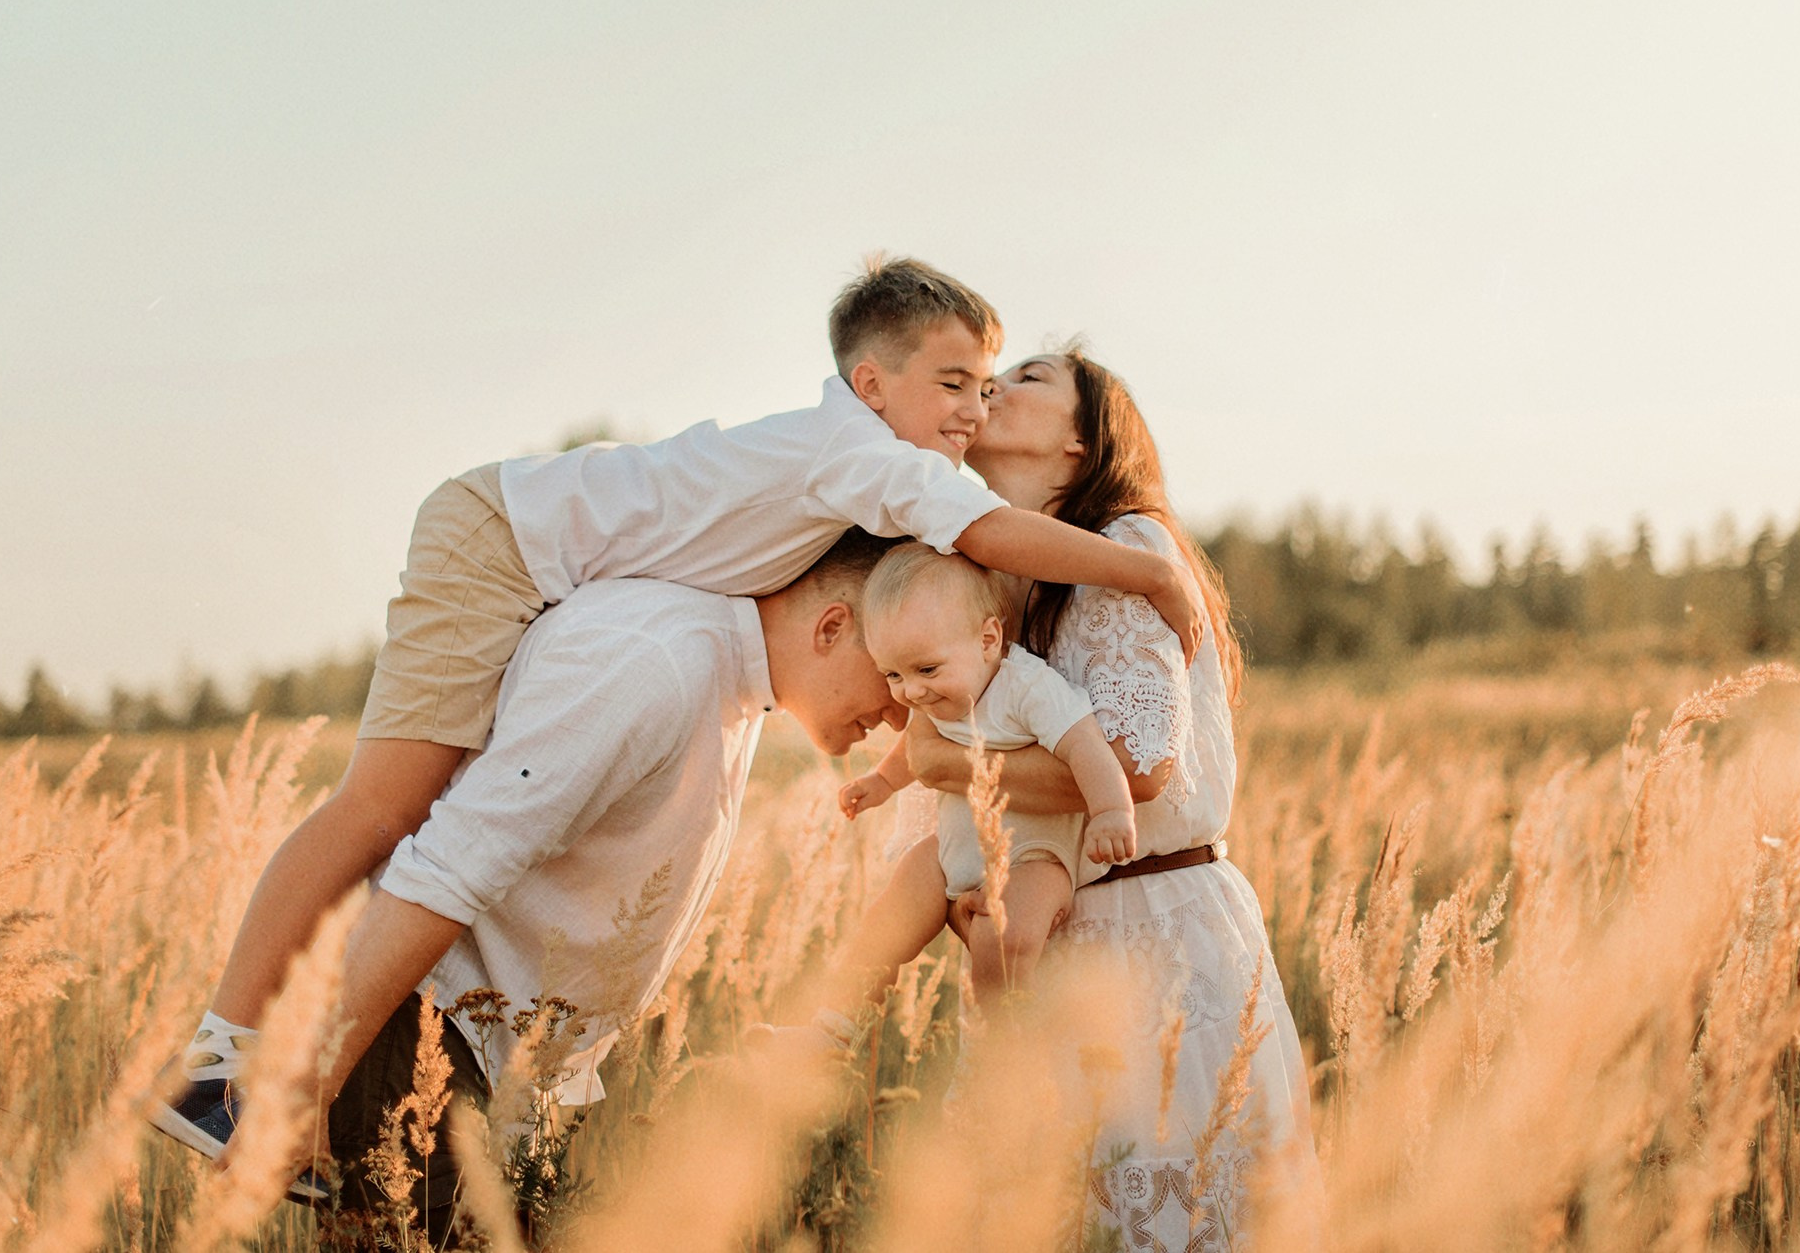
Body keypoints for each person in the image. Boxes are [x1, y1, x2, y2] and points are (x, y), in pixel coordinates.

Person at [164, 257, 1208, 1151]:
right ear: (869, 381)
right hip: (499, 538)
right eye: (959, 384)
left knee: (429, 818)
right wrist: (1153, 576)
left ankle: (289, 1085)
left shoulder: (831, 498)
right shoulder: (857, 455)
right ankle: (224, 1068)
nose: (974, 412)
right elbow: (984, 532)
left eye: (989, 389)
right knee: (384, 810)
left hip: (543, 565)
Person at [160, 529, 910, 1243]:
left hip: (496, 1072)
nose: (904, 711)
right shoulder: (655, 665)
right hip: (426, 1041)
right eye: (897, 671)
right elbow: (453, 861)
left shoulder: (728, 681)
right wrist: (312, 1082)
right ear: (832, 625)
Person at [902, 345, 1318, 1245]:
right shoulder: (990, 585)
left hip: (1152, 932)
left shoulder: (1125, 544)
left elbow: (1138, 763)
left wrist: (952, 768)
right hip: (1055, 945)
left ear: (1083, 441)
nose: (994, 385)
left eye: (1030, 377)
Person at [829, 542, 1137, 1007]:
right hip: (954, 847)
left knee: (1003, 939)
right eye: (891, 675)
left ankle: (1002, 1035)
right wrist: (882, 782)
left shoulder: (1027, 688)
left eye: (925, 669)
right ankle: (840, 1020)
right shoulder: (936, 693)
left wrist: (1111, 810)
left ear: (988, 640)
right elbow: (911, 744)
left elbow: (1085, 746)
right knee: (888, 917)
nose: (910, 690)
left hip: (1034, 856)